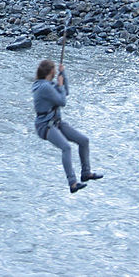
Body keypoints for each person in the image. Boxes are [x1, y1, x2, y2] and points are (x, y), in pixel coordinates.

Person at [32, 59, 102, 193]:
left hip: (56, 122)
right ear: (51, 71)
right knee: (66, 148)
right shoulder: (44, 87)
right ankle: (73, 183)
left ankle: (86, 172)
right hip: (45, 126)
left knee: (84, 141)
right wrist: (60, 85)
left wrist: (63, 76)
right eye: (55, 70)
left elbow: (66, 92)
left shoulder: (49, 84)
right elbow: (62, 101)